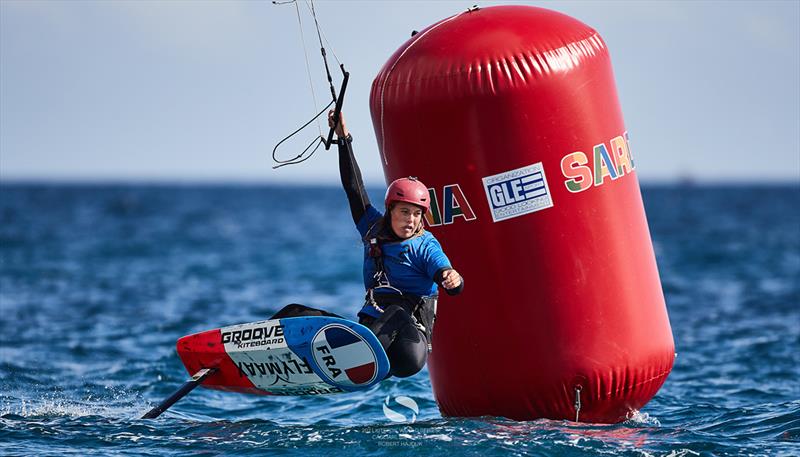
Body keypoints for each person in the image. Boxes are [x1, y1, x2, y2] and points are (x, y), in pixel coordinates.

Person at [330, 110, 463, 378]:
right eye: (404, 212)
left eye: (416, 214)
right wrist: (343, 138)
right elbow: (354, 189)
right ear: (390, 210)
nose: (411, 220)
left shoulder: (425, 246)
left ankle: (348, 361)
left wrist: (452, 278)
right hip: (374, 333)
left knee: (396, 313)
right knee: (303, 314)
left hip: (408, 347)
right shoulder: (372, 227)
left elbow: (446, 274)